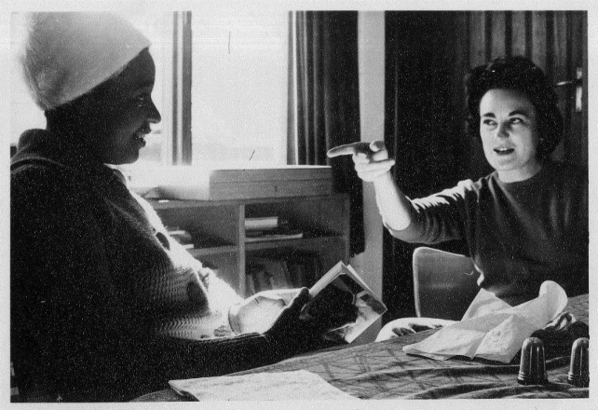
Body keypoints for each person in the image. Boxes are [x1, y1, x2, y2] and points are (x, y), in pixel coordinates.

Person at [10, 12, 343, 402]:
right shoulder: (41, 192)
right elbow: (106, 365)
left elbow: (189, 278)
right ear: (83, 100)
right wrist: (270, 346)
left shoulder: (103, 182)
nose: (155, 115)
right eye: (140, 97)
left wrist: (237, 315)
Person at [327, 56, 588, 340]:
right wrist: (381, 177)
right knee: (396, 331)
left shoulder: (582, 188)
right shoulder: (473, 196)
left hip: (562, 336)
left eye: (515, 120)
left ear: (541, 126)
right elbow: (411, 224)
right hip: (493, 334)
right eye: (489, 122)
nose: (499, 133)